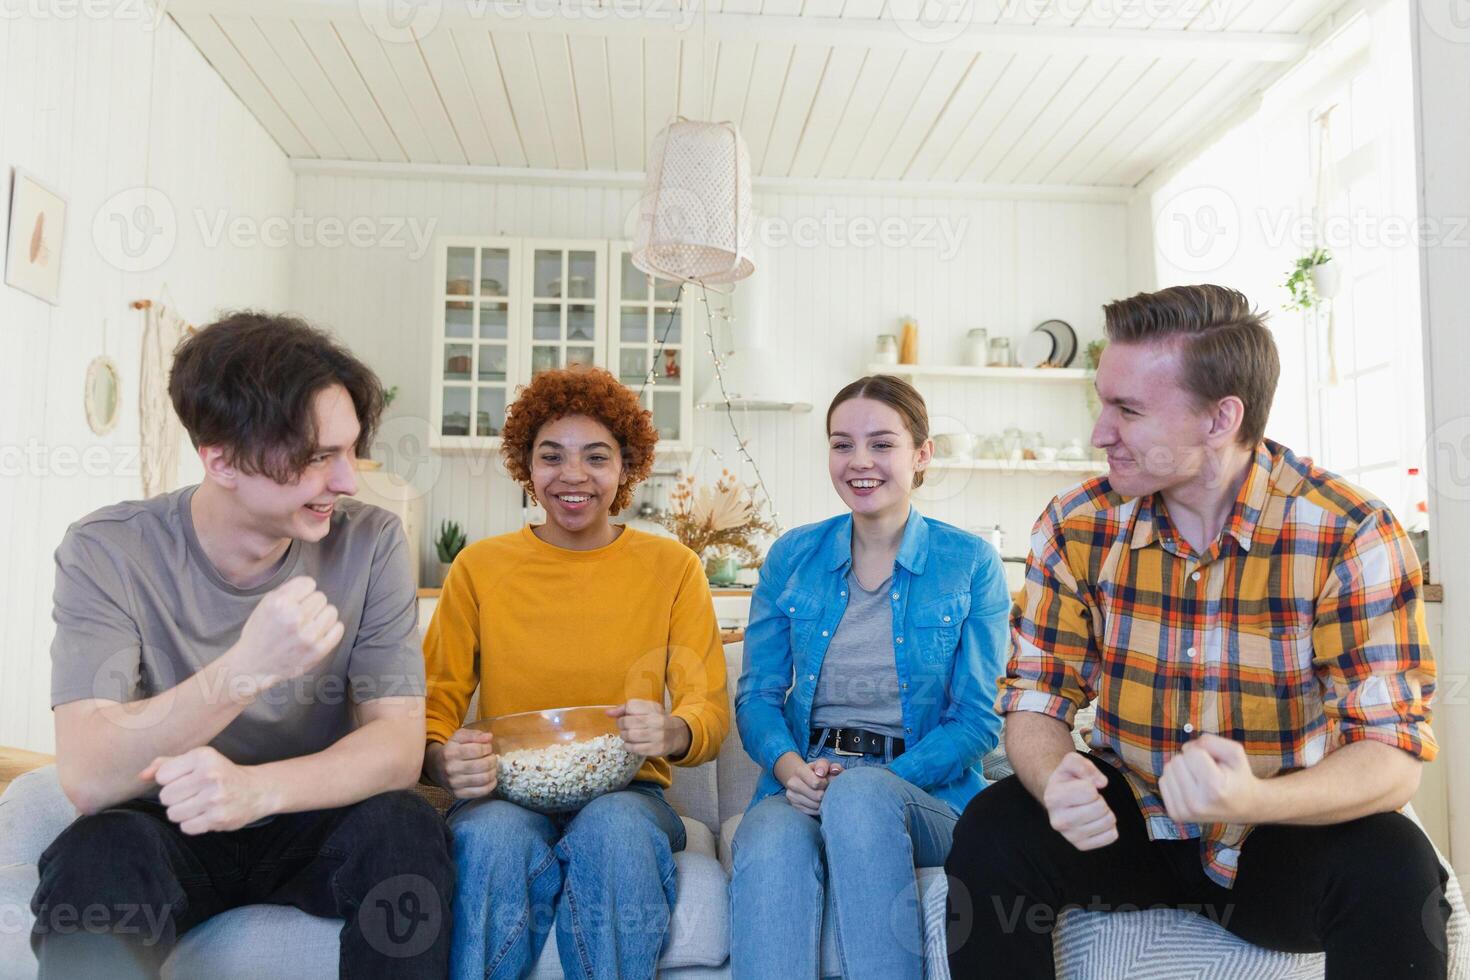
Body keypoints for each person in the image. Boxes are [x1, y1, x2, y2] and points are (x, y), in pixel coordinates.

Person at [945, 285, 1449, 979]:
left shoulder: (1348, 531)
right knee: (993, 830)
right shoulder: (1076, 524)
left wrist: (1258, 800)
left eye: (1127, 409)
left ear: (1220, 419)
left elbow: (1392, 753)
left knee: (1396, 863)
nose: (1099, 432)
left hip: (1277, 833)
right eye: (1103, 401)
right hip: (1128, 821)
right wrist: (1053, 777)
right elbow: (1037, 696)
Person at [30, 312, 452, 979]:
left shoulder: (371, 543)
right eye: (318, 457)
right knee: (99, 853)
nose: (347, 481)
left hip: (313, 817)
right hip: (172, 825)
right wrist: (246, 670)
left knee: (403, 831)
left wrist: (256, 791)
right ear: (220, 459)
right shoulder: (108, 549)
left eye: (348, 450)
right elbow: (89, 775)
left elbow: (397, 748)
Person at [421, 365, 731, 980]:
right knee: (490, 840)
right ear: (525, 466)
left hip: (630, 793)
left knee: (614, 830)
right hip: (503, 793)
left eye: (596, 456)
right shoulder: (479, 568)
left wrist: (671, 731)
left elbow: (710, 708)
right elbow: (434, 707)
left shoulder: (674, 568)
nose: (572, 476)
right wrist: (440, 760)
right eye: (551, 456)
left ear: (626, 467)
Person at [730, 375, 1011, 980]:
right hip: (807, 776)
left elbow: (977, 720)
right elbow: (756, 695)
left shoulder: (970, 563)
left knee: (860, 796)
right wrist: (789, 770)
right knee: (769, 843)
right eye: (841, 444)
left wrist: (881, 781)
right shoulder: (792, 556)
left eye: (882, 444)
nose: (859, 462)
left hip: (925, 793)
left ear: (921, 455)